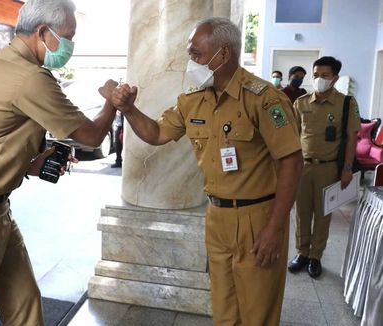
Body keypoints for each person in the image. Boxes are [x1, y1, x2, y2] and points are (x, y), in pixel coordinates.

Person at [0, 0, 117, 325]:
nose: (70, 45)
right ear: (43, 32)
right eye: (68, 36)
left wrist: (32, 163)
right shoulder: (29, 77)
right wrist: (113, 102)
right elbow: (92, 135)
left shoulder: (0, 65)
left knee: (24, 305)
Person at [111, 17, 303, 326]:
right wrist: (129, 110)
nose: (191, 61)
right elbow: (157, 133)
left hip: (258, 218)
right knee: (224, 312)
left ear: (223, 54)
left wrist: (275, 229)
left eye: (197, 54)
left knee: (257, 314)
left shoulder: (264, 99)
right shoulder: (193, 100)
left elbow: (292, 162)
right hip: (217, 217)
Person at [288, 56, 361, 278]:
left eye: (325, 75)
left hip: (329, 168)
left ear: (335, 78)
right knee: (301, 212)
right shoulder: (300, 103)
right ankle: (301, 252)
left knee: (323, 214)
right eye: (316, 75)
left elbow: (351, 138)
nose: (319, 79)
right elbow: (293, 137)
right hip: (303, 167)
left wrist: (347, 168)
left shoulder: (347, 103)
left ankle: (315, 256)